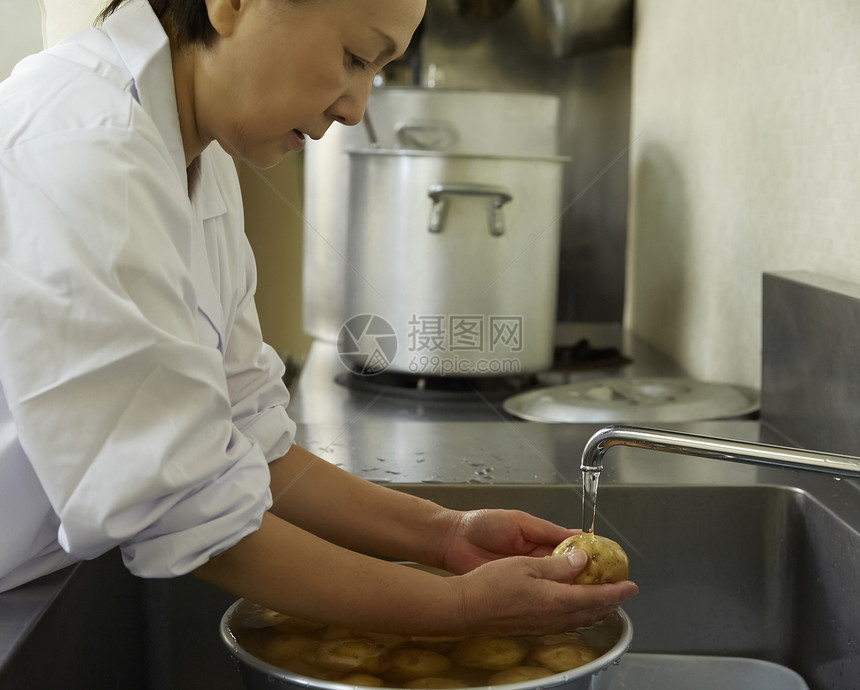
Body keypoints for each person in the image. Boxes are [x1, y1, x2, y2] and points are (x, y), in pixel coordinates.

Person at [0, 0, 638, 636]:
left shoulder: (199, 157)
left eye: (376, 72)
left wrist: (445, 536)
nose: (355, 108)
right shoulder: (86, 143)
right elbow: (179, 508)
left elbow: (248, 435)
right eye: (355, 58)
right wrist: (459, 608)